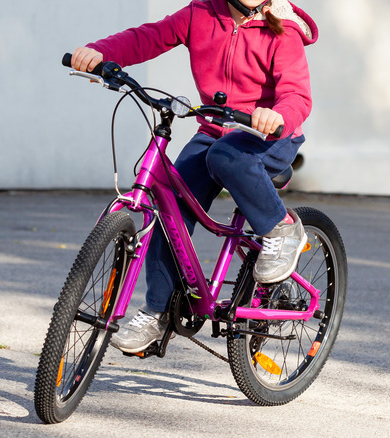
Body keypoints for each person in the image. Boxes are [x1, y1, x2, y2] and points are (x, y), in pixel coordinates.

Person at [71, 0, 318, 353]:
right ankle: (157, 310)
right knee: (170, 204)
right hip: (216, 132)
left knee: (225, 155)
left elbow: (297, 93)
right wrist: (101, 52)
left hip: (268, 135)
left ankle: (280, 226)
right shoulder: (201, 13)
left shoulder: (282, 29)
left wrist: (277, 116)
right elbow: (147, 37)